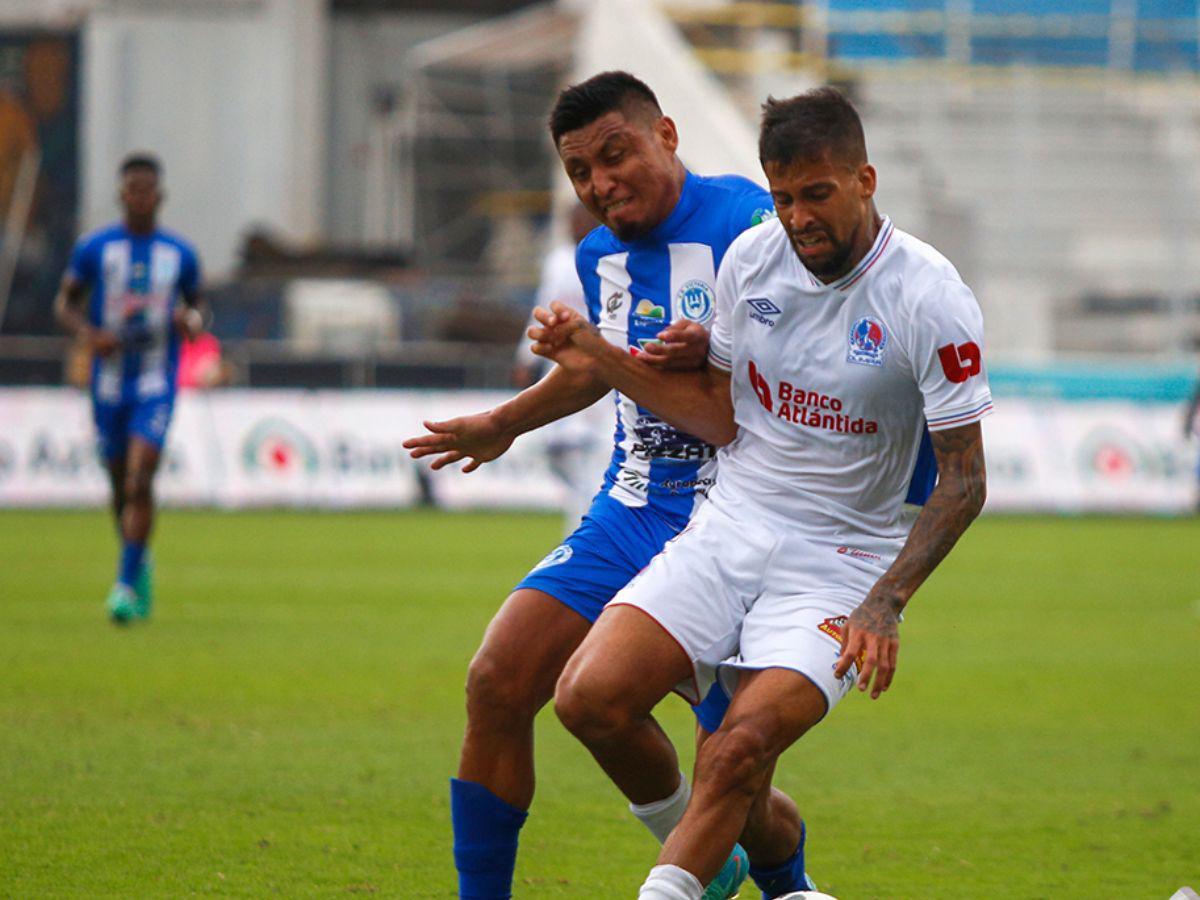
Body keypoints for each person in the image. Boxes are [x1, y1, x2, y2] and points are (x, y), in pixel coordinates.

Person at [531, 86, 991, 899]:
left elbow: (964, 477)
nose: (798, 218)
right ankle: (783, 886)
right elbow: (715, 412)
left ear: (864, 180)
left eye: (817, 194)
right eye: (781, 198)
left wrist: (886, 602)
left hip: (843, 564)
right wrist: (603, 358)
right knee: (588, 696)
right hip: (731, 526)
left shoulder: (932, 296)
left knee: (737, 753)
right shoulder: (752, 262)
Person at [403, 71, 776, 900]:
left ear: (667, 135)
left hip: (736, 518)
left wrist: (718, 344)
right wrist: (508, 421)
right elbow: (600, 368)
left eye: (616, 156)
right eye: (582, 172)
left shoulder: (751, 219)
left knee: (735, 767)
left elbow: (801, 343)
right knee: (498, 682)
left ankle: (776, 878)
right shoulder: (599, 252)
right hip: (631, 507)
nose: (602, 184)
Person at [55, 153, 204, 623]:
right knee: (120, 484)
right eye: (133, 189)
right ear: (122, 195)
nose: (140, 197)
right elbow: (66, 304)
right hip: (109, 384)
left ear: (159, 196)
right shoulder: (95, 249)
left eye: (148, 189)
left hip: (156, 382)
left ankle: (122, 587)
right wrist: (89, 334)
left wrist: (191, 321)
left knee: (142, 477)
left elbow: (201, 311)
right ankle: (137, 560)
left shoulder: (180, 254)